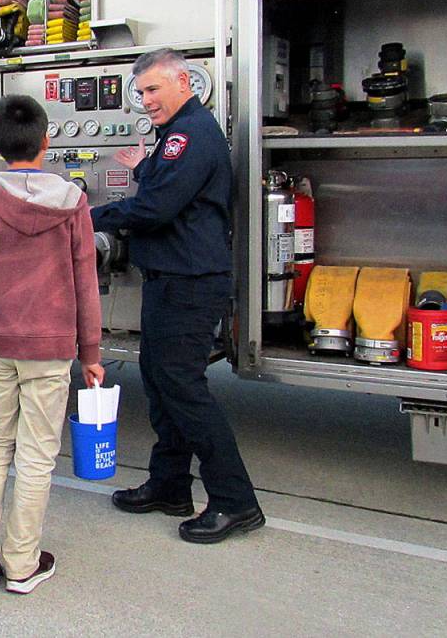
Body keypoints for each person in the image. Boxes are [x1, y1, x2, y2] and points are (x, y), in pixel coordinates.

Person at [90, 49, 263, 544]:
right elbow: (167, 186)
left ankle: (235, 502)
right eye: (139, 92)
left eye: (152, 90)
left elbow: (157, 207)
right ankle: (169, 486)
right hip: (170, 276)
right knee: (160, 381)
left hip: (190, 280)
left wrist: (85, 218)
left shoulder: (191, 132)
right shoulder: (178, 134)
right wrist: (144, 168)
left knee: (182, 386)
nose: (145, 101)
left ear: (183, 81)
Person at [0, 94, 104, 594]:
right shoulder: (73, 201)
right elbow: (85, 282)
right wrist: (91, 355)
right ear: (46, 140)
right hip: (50, 348)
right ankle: (22, 563)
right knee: (36, 456)